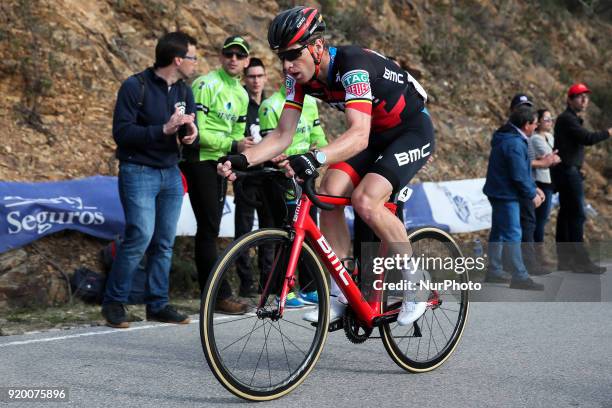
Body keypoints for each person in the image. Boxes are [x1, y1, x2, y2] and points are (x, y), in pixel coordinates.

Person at [218, 6, 433, 326]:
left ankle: (416, 284)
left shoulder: (353, 67)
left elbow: (358, 136)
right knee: (328, 193)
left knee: (366, 199)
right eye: (281, 57)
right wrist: (242, 159)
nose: (288, 65)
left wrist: (315, 156)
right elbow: (281, 135)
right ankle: (341, 291)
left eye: (293, 54)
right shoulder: (297, 77)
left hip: (410, 132)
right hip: (375, 135)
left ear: (317, 47)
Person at [102, 31, 198, 328]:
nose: (196, 64)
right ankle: (114, 303)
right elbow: (122, 133)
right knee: (139, 236)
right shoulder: (136, 86)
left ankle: (157, 304)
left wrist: (192, 135)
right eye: (193, 57)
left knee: (164, 242)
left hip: (170, 172)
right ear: (178, 59)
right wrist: (162, 130)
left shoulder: (184, 90)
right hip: (138, 171)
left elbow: (189, 131)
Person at [181, 36, 253, 314]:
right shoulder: (205, 84)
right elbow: (195, 133)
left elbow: (237, 134)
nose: (233, 58)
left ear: (246, 61)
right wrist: (231, 146)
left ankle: (214, 294)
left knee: (209, 230)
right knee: (209, 230)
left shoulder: (243, 93)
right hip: (200, 161)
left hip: (220, 163)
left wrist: (232, 157)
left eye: (239, 55)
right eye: (229, 53)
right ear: (221, 57)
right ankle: (217, 295)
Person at [256, 66, 329, 307]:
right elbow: (272, 146)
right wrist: (289, 160)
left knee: (308, 231)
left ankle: (308, 287)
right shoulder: (271, 105)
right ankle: (281, 289)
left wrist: (313, 154)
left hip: (305, 174)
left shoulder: (311, 103)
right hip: (279, 177)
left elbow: (320, 138)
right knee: (284, 233)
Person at [483, 105, 545, 290]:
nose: (536, 127)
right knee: (513, 233)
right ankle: (519, 276)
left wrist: (534, 188)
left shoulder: (509, 136)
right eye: (535, 124)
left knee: (499, 232)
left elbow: (521, 170)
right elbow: (518, 174)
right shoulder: (515, 142)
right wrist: (531, 193)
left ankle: (494, 270)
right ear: (527, 124)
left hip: (498, 191)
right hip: (505, 194)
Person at [552, 83, 611, 274]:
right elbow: (588, 138)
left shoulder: (571, 119)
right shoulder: (567, 119)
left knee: (567, 216)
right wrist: (608, 133)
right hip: (568, 172)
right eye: (579, 96)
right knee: (576, 215)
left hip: (569, 171)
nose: (584, 99)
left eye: (586, 96)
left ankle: (567, 260)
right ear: (570, 100)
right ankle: (580, 261)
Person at [233, 57, 268, 298]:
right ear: (245, 79)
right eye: (251, 76)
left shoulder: (272, 104)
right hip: (246, 175)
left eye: (259, 76)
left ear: (265, 78)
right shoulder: (240, 102)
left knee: (270, 230)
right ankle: (246, 284)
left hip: (269, 175)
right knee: (243, 231)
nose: (255, 81)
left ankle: (269, 283)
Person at [530, 109, 559, 265]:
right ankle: (538, 255)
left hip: (550, 181)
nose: (550, 121)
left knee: (543, 218)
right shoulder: (535, 139)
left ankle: (538, 253)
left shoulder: (549, 137)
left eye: (551, 119)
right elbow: (551, 158)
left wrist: (553, 157)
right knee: (539, 219)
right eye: (546, 119)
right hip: (541, 181)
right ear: (538, 122)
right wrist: (553, 157)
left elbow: (555, 156)